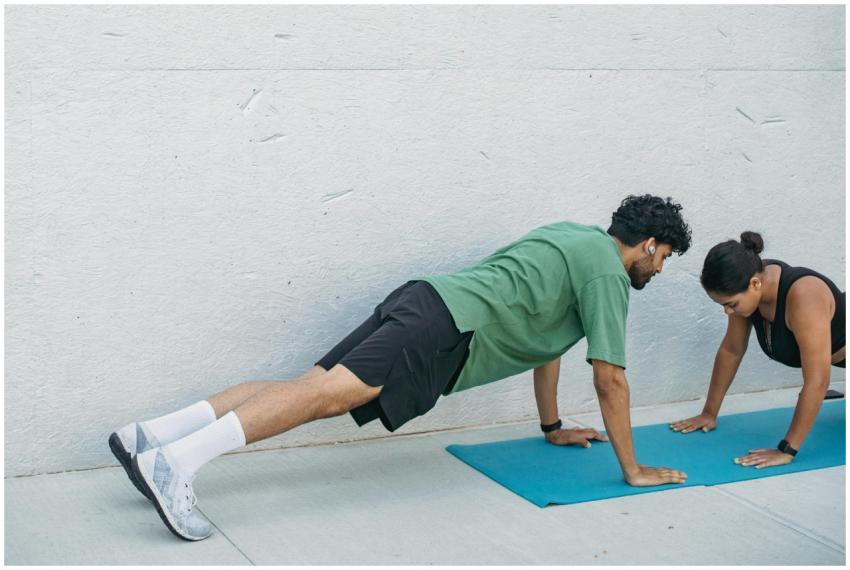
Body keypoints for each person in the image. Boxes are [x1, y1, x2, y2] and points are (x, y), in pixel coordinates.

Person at [109, 194, 692, 541]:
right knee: (325, 397)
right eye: (664, 258)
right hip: (444, 328)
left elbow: (549, 348)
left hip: (425, 299)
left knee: (312, 387)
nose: (659, 270)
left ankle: (152, 436)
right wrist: (632, 468)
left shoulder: (573, 237)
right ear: (647, 245)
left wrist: (550, 426)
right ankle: (176, 466)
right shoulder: (608, 276)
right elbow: (610, 377)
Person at [670, 232, 845, 469]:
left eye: (730, 304)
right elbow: (731, 350)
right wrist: (709, 413)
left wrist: (787, 450)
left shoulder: (804, 296)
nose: (728, 312)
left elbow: (817, 382)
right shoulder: (751, 289)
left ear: (754, 283)